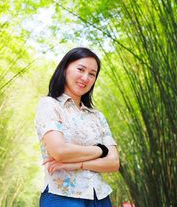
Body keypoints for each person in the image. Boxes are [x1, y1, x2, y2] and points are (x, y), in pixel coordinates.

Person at [34, 47, 119, 207]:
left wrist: (77, 164)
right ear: (65, 68)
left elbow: (113, 163)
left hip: (100, 197)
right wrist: (101, 151)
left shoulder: (97, 116)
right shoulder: (49, 105)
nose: (85, 77)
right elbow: (59, 151)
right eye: (81, 69)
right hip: (62, 196)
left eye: (92, 74)